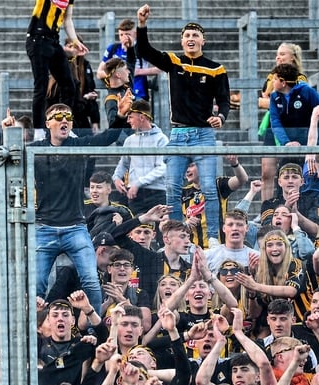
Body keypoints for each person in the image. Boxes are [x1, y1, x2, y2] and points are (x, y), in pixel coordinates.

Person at [3, 101, 129, 313]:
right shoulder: (36, 149)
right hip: (44, 228)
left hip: (75, 227)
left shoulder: (78, 146)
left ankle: (95, 328)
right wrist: (8, 134)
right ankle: (36, 332)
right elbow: (10, 160)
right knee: (37, 285)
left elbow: (108, 138)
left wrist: (121, 116)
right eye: (59, 117)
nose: (64, 121)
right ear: (48, 124)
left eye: (68, 117)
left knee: (90, 280)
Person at [135, 4, 230, 250]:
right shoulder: (174, 61)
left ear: (203, 41)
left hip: (203, 134)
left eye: (195, 35)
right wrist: (142, 24)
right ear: (182, 40)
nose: (190, 38)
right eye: (186, 35)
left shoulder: (216, 68)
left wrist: (221, 118)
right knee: (172, 188)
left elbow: (224, 100)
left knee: (209, 187)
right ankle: (175, 237)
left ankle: (212, 238)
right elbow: (144, 49)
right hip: (177, 133)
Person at [25, 0, 87, 132]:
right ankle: (39, 131)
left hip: (53, 41)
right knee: (41, 86)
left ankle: (62, 124)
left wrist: (75, 41)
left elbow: (67, 19)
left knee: (69, 86)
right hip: (37, 39)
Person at [257, 42, 308, 201]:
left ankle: (295, 205)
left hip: (294, 128)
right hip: (274, 126)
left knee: (293, 171)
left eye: (283, 54)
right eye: (277, 54)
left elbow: (278, 102)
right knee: (266, 172)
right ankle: (266, 209)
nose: (278, 57)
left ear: (293, 58)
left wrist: (268, 101)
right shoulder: (272, 77)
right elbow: (264, 99)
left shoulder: (300, 79)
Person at [268, 63, 319, 147]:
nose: (272, 81)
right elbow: (275, 122)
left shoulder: (307, 92)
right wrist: (286, 142)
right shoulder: (274, 97)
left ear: (283, 82)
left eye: (275, 79)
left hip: (309, 144)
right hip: (288, 145)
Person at [114, 99, 167, 216]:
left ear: (142, 117)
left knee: (159, 231)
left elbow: (162, 168)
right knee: (137, 231)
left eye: (131, 117)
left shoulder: (161, 139)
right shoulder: (129, 140)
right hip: (135, 195)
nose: (128, 121)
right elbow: (123, 164)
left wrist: (138, 183)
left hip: (156, 193)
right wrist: (116, 178)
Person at [97, 18, 158, 101]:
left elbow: (160, 68)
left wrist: (139, 71)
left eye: (127, 34)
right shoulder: (113, 49)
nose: (124, 38)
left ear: (135, 34)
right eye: (121, 35)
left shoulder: (142, 49)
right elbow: (99, 73)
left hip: (139, 94)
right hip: (119, 94)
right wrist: (115, 73)